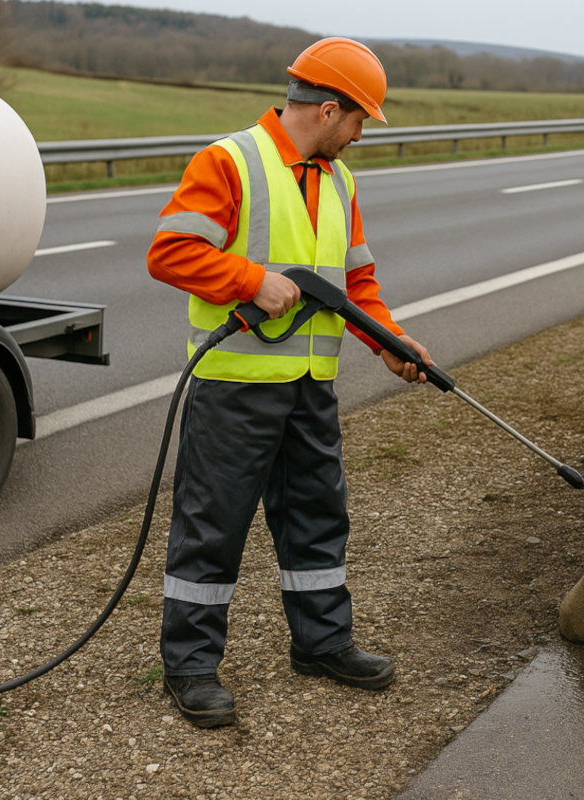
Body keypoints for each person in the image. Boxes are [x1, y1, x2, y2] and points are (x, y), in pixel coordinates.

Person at [145, 37, 432, 729]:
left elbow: (354, 285)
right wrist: (250, 280)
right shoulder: (230, 161)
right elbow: (169, 251)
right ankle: (189, 667)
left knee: (316, 520)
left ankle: (323, 644)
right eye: (361, 119)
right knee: (212, 529)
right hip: (235, 388)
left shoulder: (338, 181)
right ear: (329, 110)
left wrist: (389, 344)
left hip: (309, 389)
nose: (362, 134)